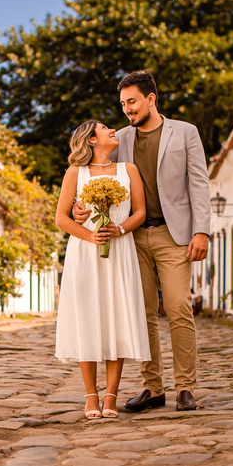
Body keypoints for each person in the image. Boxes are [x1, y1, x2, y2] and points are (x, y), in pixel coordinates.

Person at [75, 70, 210, 412]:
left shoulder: (185, 132)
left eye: (132, 102)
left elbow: (199, 184)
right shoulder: (120, 138)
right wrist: (80, 209)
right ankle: (153, 388)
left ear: (151, 98)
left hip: (173, 234)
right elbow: (97, 175)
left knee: (178, 307)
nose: (127, 110)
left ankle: (185, 388)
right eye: (122, 104)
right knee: (143, 313)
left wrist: (202, 230)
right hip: (131, 237)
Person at [54, 120, 151, 419]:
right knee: (88, 318)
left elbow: (140, 212)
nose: (114, 131)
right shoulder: (75, 173)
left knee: (115, 318)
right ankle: (90, 397)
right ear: (92, 140)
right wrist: (90, 235)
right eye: (106, 128)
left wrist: (119, 229)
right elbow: (62, 217)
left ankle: (111, 396)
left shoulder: (129, 170)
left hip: (120, 250)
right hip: (85, 252)